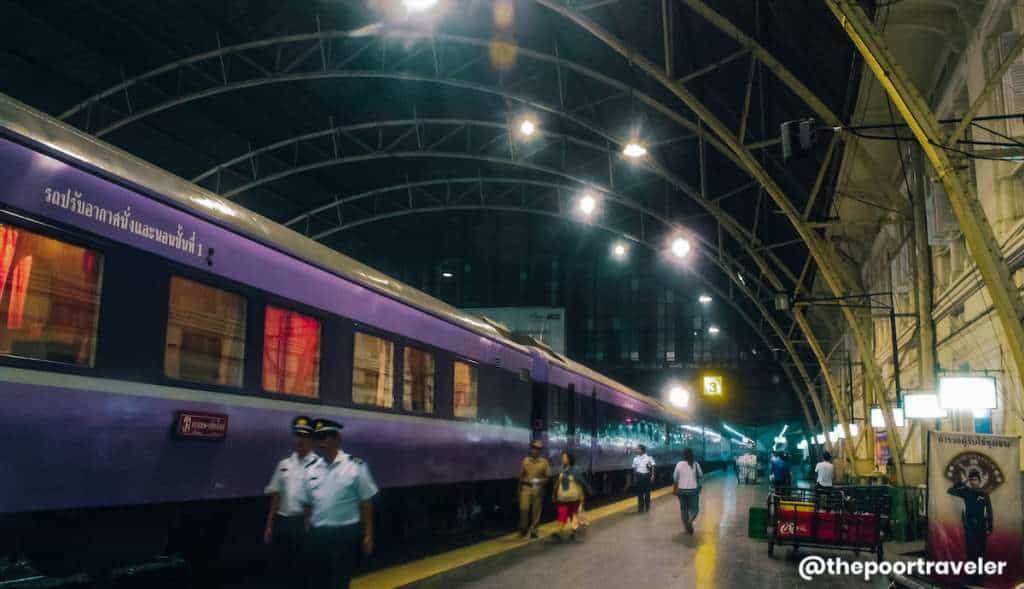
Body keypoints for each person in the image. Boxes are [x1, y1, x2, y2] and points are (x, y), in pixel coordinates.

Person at [302, 419, 378, 589]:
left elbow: (366, 502)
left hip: (345, 534)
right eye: (318, 438)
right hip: (319, 534)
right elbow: (307, 503)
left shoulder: (355, 466)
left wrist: (368, 535)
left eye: (325, 437)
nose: (321, 443)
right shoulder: (311, 469)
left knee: (340, 581)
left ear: (338, 439)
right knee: (318, 580)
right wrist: (307, 528)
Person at [264, 416, 319, 586]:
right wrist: (269, 525)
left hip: (305, 524)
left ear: (312, 440)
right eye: (297, 436)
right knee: (281, 569)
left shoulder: (319, 465)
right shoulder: (284, 464)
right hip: (283, 523)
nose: (300, 440)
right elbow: (276, 495)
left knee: (303, 571)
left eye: (304, 436)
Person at [947, 470, 993, 562]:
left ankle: (980, 568)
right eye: (971, 480)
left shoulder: (984, 494)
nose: (973, 482)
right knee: (971, 550)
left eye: (975, 479)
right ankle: (971, 567)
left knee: (981, 550)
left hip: (981, 525)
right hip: (969, 525)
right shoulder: (966, 491)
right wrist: (964, 482)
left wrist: (990, 526)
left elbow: (989, 510)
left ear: (979, 481)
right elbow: (950, 491)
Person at [552, 451, 592, 541]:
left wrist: (586, 493)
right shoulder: (561, 469)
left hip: (573, 498)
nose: (562, 459)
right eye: (562, 457)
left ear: (570, 459)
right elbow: (558, 483)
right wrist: (554, 493)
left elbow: (582, 482)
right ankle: (559, 532)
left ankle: (572, 532)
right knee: (562, 514)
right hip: (562, 498)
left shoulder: (576, 470)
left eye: (565, 457)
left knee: (573, 516)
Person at [518, 440, 552, 539]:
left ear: (540, 450)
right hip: (526, 488)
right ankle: (524, 527)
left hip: (538, 488)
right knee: (524, 509)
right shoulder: (525, 461)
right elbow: (521, 477)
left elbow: (548, 477)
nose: (535, 450)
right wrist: (518, 490)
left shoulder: (544, 462)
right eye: (534, 448)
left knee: (536, 511)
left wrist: (540, 481)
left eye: (538, 449)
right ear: (531, 449)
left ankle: (534, 530)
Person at [672, 448, 703, 534]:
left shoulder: (679, 464)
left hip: (681, 490)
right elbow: (701, 475)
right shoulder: (695, 464)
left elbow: (675, 478)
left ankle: (686, 527)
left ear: (683, 455)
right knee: (695, 510)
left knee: (683, 509)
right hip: (693, 490)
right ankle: (690, 522)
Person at [632, 444, 656, 513]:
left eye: (638, 449)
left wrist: (652, 475)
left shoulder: (649, 458)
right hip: (639, 476)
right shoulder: (635, 459)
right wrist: (635, 477)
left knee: (647, 493)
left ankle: (647, 506)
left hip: (647, 476)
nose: (636, 450)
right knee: (640, 493)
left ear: (642, 450)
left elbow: (653, 466)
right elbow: (634, 469)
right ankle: (640, 507)